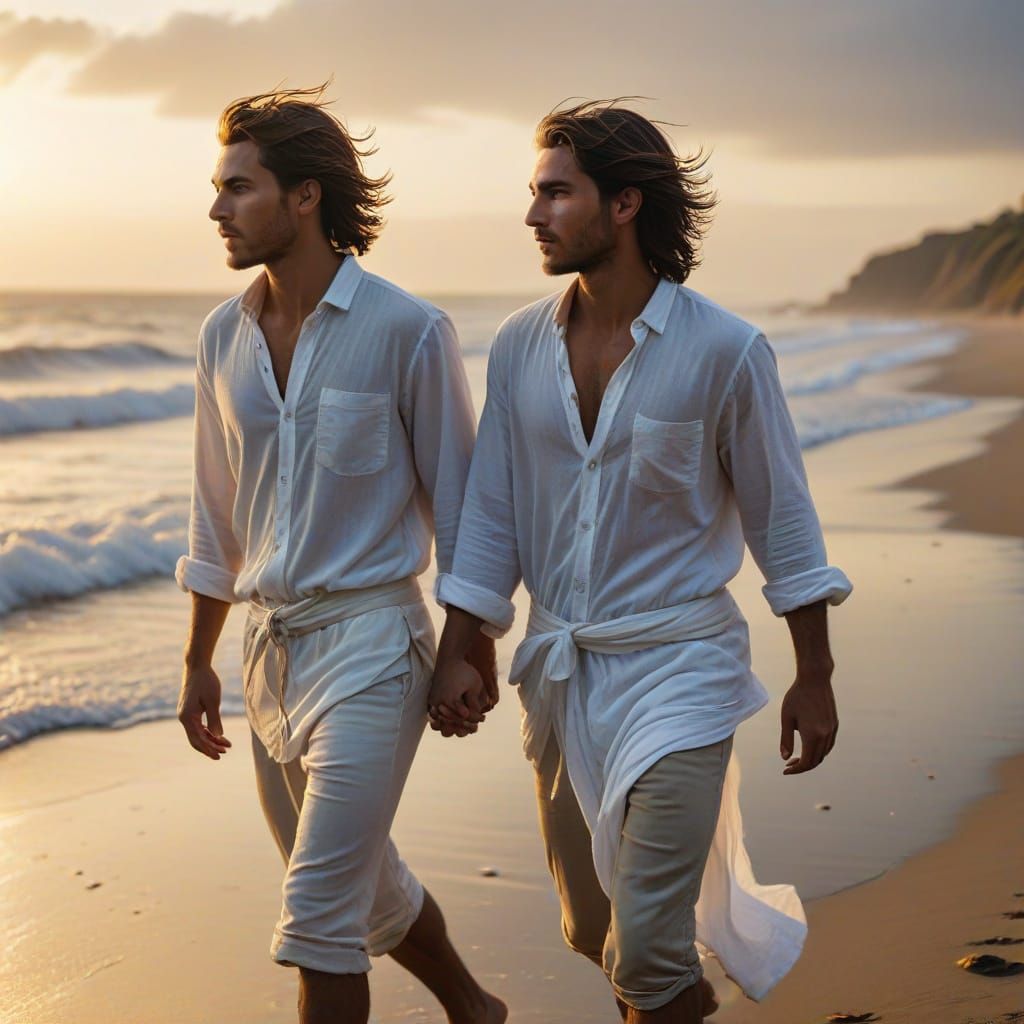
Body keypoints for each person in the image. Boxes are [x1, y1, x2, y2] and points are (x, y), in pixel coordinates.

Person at [428, 100, 852, 1023]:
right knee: (594, 929)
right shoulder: (515, 348)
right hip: (563, 673)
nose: (534, 214)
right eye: (533, 193)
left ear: (624, 205)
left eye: (554, 193)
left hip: (682, 669)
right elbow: (492, 513)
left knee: (647, 943)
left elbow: (785, 523)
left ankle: (665, 990)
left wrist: (813, 674)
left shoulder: (726, 351)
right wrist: (463, 642)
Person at [175, 85, 506, 1024]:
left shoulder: (408, 331)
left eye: (239, 187)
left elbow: (466, 509)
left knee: (317, 915)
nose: (216, 209)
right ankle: (476, 1009)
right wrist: (199, 659)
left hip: (374, 646)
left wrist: (464, 647)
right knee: (362, 885)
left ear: (306, 195)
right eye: (218, 187)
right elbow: (216, 517)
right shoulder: (220, 336)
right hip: (266, 652)